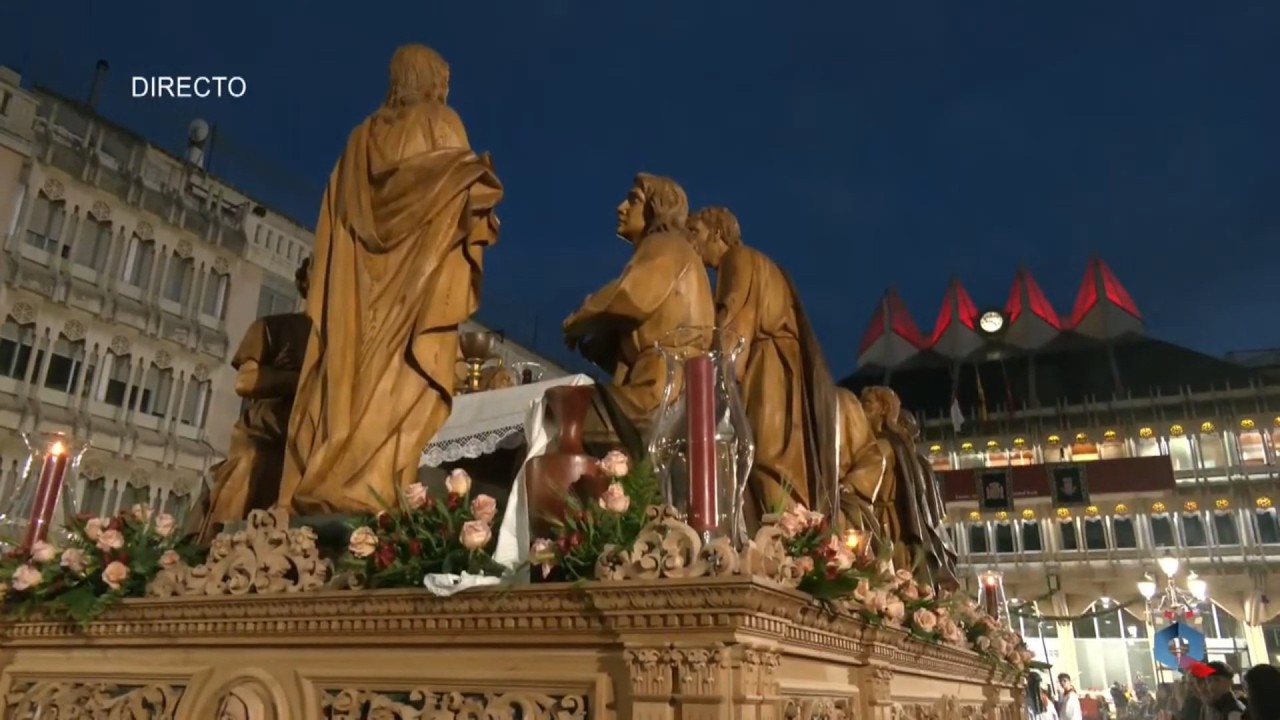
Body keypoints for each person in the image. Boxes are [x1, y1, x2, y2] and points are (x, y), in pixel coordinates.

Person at [278, 44, 503, 515]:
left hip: (357, 299)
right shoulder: (442, 124)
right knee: (408, 383)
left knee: (350, 384)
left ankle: (335, 476)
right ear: (433, 81)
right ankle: (379, 491)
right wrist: (478, 184)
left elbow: (336, 228)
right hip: (415, 294)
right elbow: (461, 195)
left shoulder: (358, 142)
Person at [685, 206, 839, 524]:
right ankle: (792, 537)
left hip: (770, 368)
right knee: (779, 456)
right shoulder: (761, 262)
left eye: (695, 232)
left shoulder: (737, 260)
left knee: (768, 455)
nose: (691, 243)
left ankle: (785, 539)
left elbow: (731, 324)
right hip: (781, 366)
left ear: (717, 232)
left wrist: (712, 381)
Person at [562, 174, 714, 438]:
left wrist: (579, 317)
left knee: (560, 413)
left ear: (657, 208)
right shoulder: (672, 249)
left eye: (634, 200)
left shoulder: (665, 244)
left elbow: (631, 296)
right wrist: (599, 340)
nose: (621, 207)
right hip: (668, 387)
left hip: (661, 390)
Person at [187, 257, 312, 542]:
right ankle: (218, 541)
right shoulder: (271, 326)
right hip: (268, 429)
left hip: (313, 430)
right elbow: (245, 381)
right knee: (252, 463)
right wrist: (300, 378)